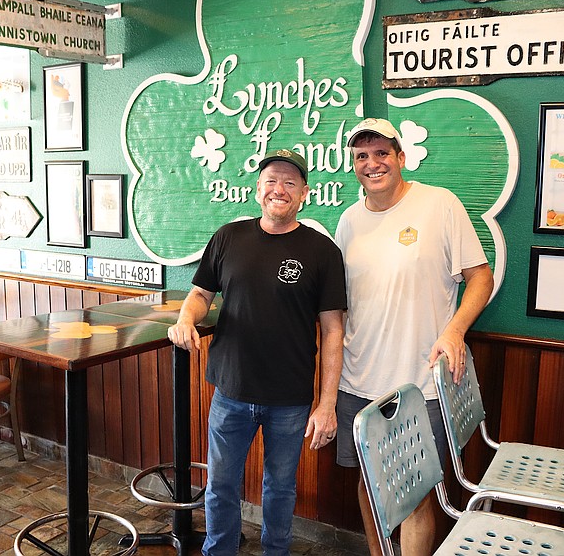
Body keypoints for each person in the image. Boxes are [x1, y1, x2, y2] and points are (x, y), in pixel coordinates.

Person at [167, 148, 347, 556]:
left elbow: (334, 331)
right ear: (257, 189)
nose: (278, 189)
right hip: (230, 391)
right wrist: (185, 320)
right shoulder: (229, 237)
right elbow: (199, 294)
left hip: (291, 398)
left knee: (280, 490)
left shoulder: (323, 251)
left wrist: (328, 403)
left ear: (305, 193)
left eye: (289, 182)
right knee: (221, 486)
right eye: (271, 180)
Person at [334, 118, 494, 555]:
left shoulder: (439, 204)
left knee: (414, 495)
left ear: (401, 158)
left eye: (382, 153)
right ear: (354, 166)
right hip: (357, 382)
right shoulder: (348, 221)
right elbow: (344, 306)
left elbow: (481, 277)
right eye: (362, 156)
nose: (373, 163)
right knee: (369, 486)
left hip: (419, 384)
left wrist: (455, 330)